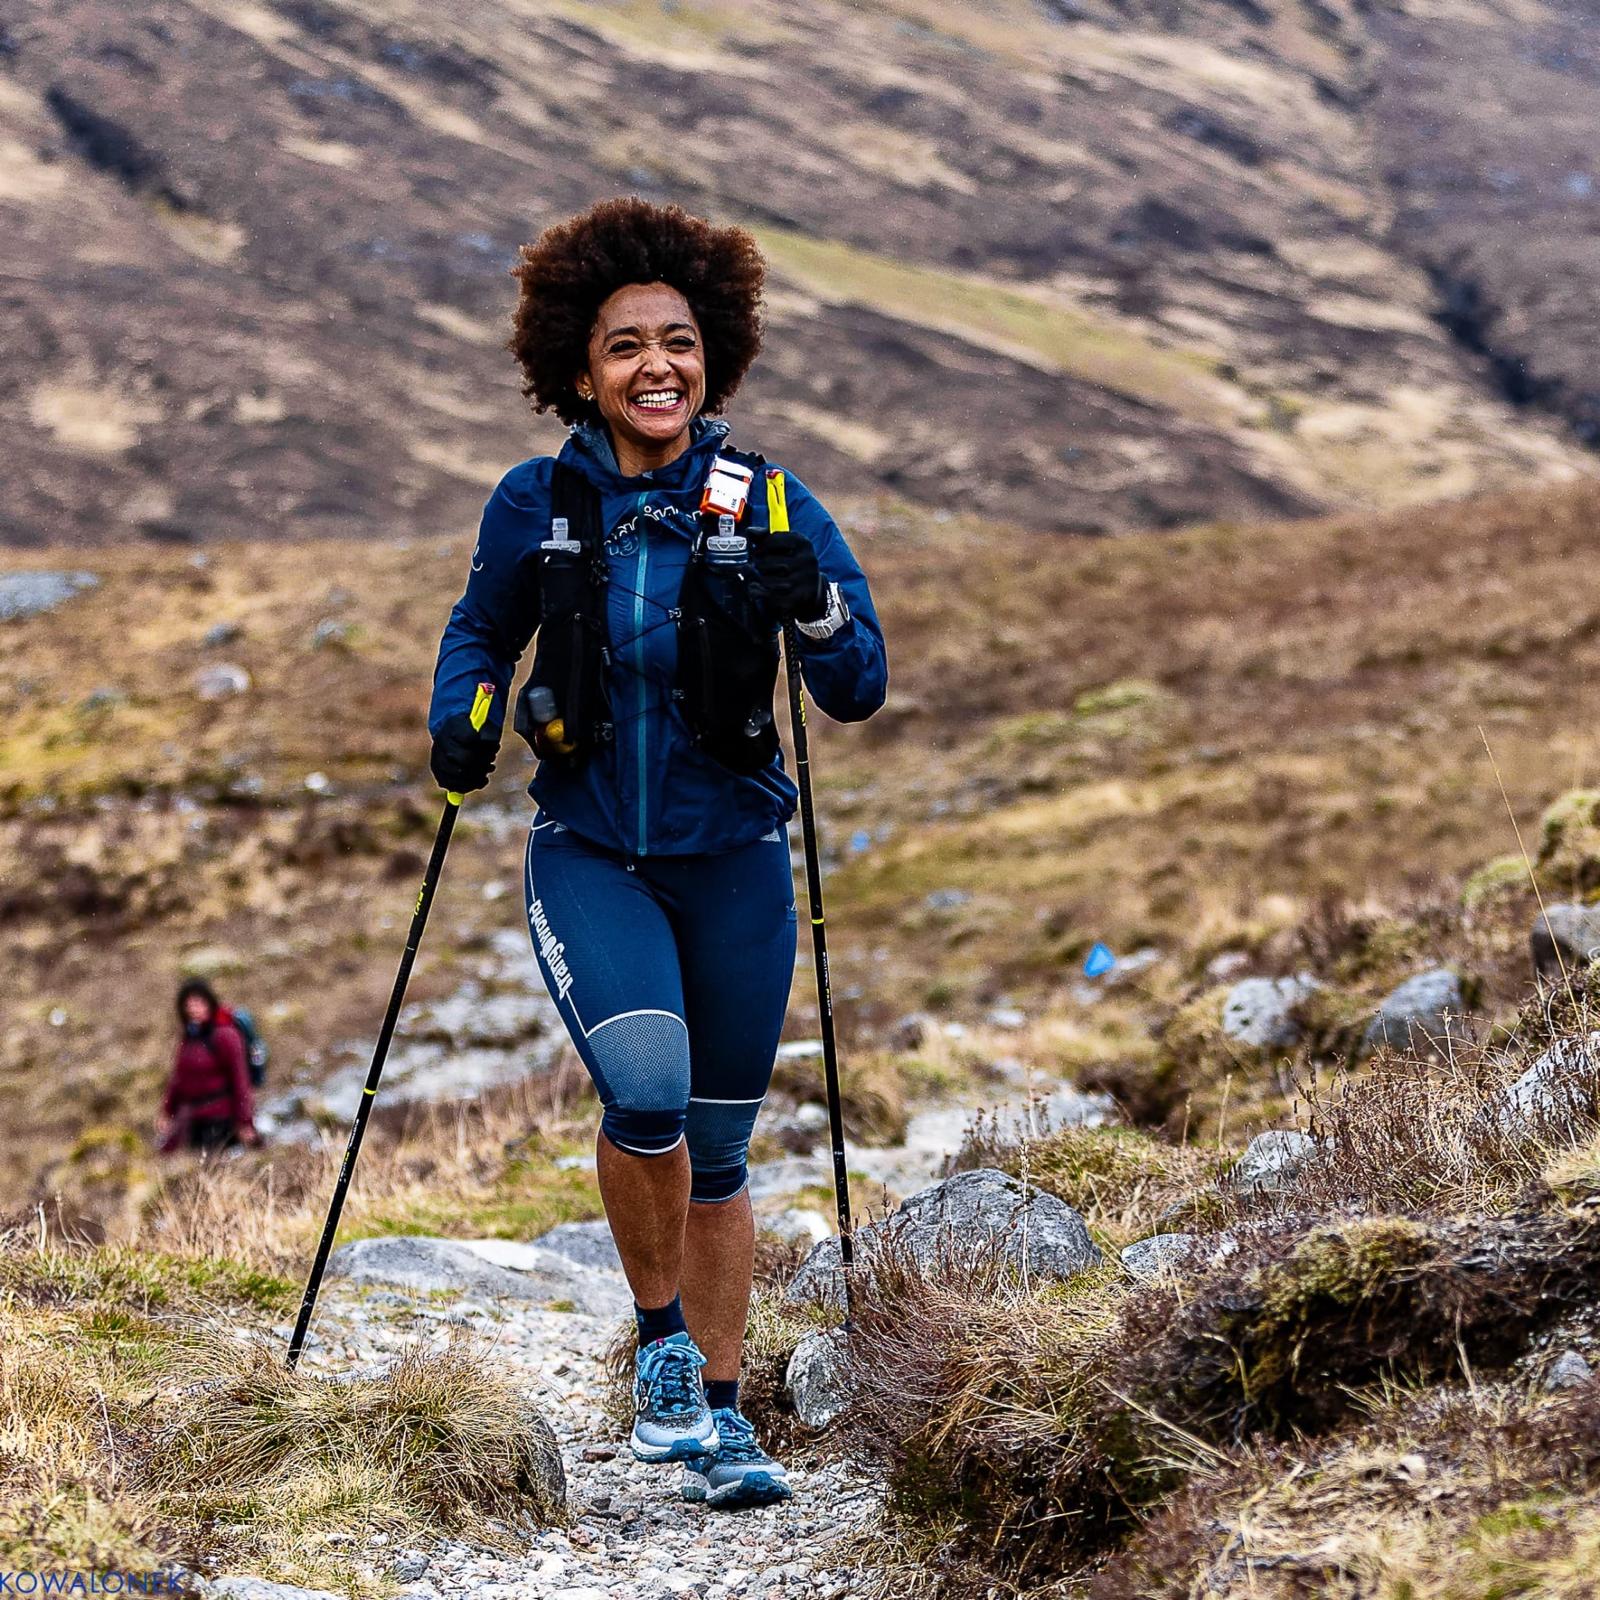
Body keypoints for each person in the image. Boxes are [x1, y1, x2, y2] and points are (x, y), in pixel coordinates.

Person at [428, 198, 888, 1509]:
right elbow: (479, 636)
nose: (654, 368)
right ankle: (664, 1345)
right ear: (579, 368)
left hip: (734, 858)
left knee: (722, 1146)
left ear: (714, 355)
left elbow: (857, 683)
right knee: (645, 1086)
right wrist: (457, 719)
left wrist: (817, 602)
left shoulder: (773, 500)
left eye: (677, 342)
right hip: (593, 852)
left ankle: (727, 1420)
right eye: (625, 345)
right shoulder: (537, 503)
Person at [158, 979, 261, 1154]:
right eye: (189, 1005)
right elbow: (179, 1078)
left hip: (221, 1118)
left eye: (198, 1003)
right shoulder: (190, 1037)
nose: (193, 1009)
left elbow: (240, 1080)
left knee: (216, 1169)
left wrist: (245, 1122)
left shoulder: (226, 1036)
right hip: (193, 1119)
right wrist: (167, 1111)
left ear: (209, 1003)